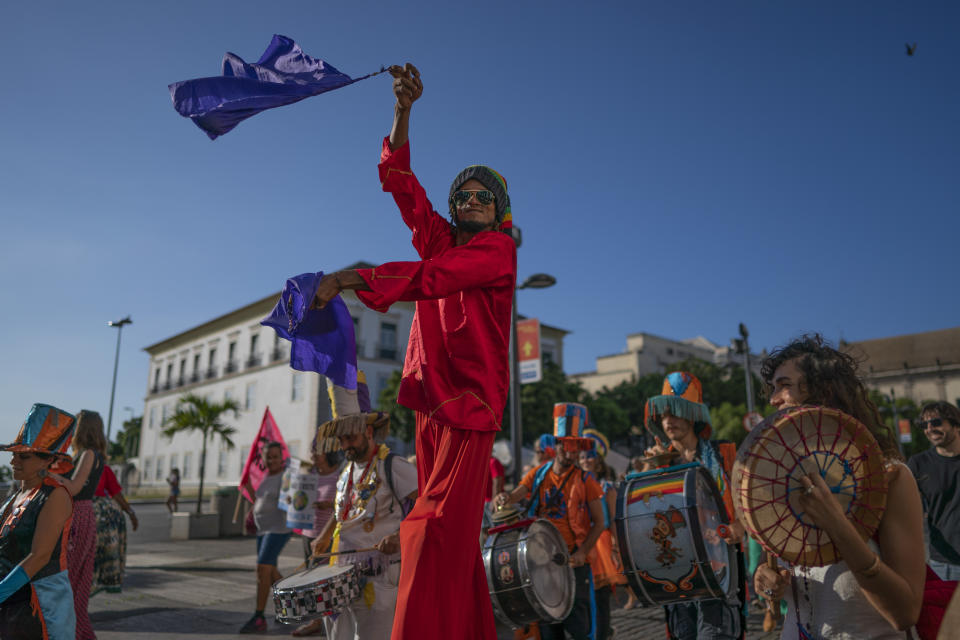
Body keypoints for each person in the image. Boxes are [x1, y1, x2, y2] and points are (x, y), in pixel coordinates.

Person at [310, 62, 516, 640]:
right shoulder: (443, 238)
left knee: (430, 532)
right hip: (430, 402)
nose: (471, 200)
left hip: (469, 407)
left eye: (484, 196)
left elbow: (434, 278)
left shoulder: (497, 250)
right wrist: (403, 111)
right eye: (463, 195)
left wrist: (354, 278)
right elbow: (402, 183)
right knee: (446, 541)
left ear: (498, 210)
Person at [753, 335, 925, 638]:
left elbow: (905, 613)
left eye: (784, 385)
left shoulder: (888, 477)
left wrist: (838, 525)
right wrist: (767, 581)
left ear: (824, 392)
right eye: (772, 388)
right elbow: (777, 577)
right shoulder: (780, 482)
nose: (773, 399)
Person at [305, 379, 417, 639]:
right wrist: (323, 538)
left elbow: (425, 504)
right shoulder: (346, 471)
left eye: (351, 437)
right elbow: (342, 513)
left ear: (368, 431)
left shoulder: (393, 465)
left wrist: (399, 537)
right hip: (340, 571)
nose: (346, 445)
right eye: (342, 439)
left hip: (379, 574)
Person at [641, 372, 746, 640]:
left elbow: (746, 505)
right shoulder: (658, 463)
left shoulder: (724, 455)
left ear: (692, 415)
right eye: (664, 415)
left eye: (675, 413)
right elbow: (644, 517)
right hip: (676, 571)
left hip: (719, 564)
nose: (668, 420)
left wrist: (738, 526)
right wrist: (648, 473)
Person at [496, 403, 606, 640]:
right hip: (541, 563)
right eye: (568, 445)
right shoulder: (538, 474)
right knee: (548, 627)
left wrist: (582, 552)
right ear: (556, 446)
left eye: (577, 447)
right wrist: (504, 497)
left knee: (579, 627)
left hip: (573, 562)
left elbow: (600, 521)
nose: (573, 452)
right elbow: (516, 494)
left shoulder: (586, 480)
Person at [0, 404, 77, 639]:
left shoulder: (56, 495)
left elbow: (40, 556)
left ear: (46, 461)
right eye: (14, 454)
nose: (14, 461)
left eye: (24, 455)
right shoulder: (15, 496)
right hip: (10, 601)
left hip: (37, 605)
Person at [45, 409, 106, 640]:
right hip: (82, 514)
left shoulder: (88, 454)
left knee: (68, 579)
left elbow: (75, 487)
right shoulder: (91, 453)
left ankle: (74, 632)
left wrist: (46, 474)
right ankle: (78, 632)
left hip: (77, 514)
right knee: (75, 582)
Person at [239, 442, 291, 634]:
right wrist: (250, 491)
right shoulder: (266, 476)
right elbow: (261, 500)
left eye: (275, 456)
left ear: (282, 457)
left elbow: (289, 500)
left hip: (278, 529)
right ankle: (291, 604)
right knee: (269, 572)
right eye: (268, 457)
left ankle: (259, 617)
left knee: (262, 569)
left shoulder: (286, 476)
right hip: (263, 529)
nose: (272, 460)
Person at [579, 428, 624, 640]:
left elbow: (614, 520)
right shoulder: (575, 486)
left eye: (590, 456)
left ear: (598, 459)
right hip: (581, 544)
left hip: (601, 545)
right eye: (582, 456)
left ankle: (602, 634)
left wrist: (617, 548)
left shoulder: (607, 487)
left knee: (600, 598)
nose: (586, 460)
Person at [908, 401, 960, 581]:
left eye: (936, 422)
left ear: (955, 424)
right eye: (924, 425)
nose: (930, 429)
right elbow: (906, 510)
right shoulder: (918, 464)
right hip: (946, 564)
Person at [91, 463, 138, 595]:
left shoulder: (70, 464)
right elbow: (116, 493)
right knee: (96, 558)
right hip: (101, 520)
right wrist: (131, 513)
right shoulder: (102, 467)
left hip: (79, 515)